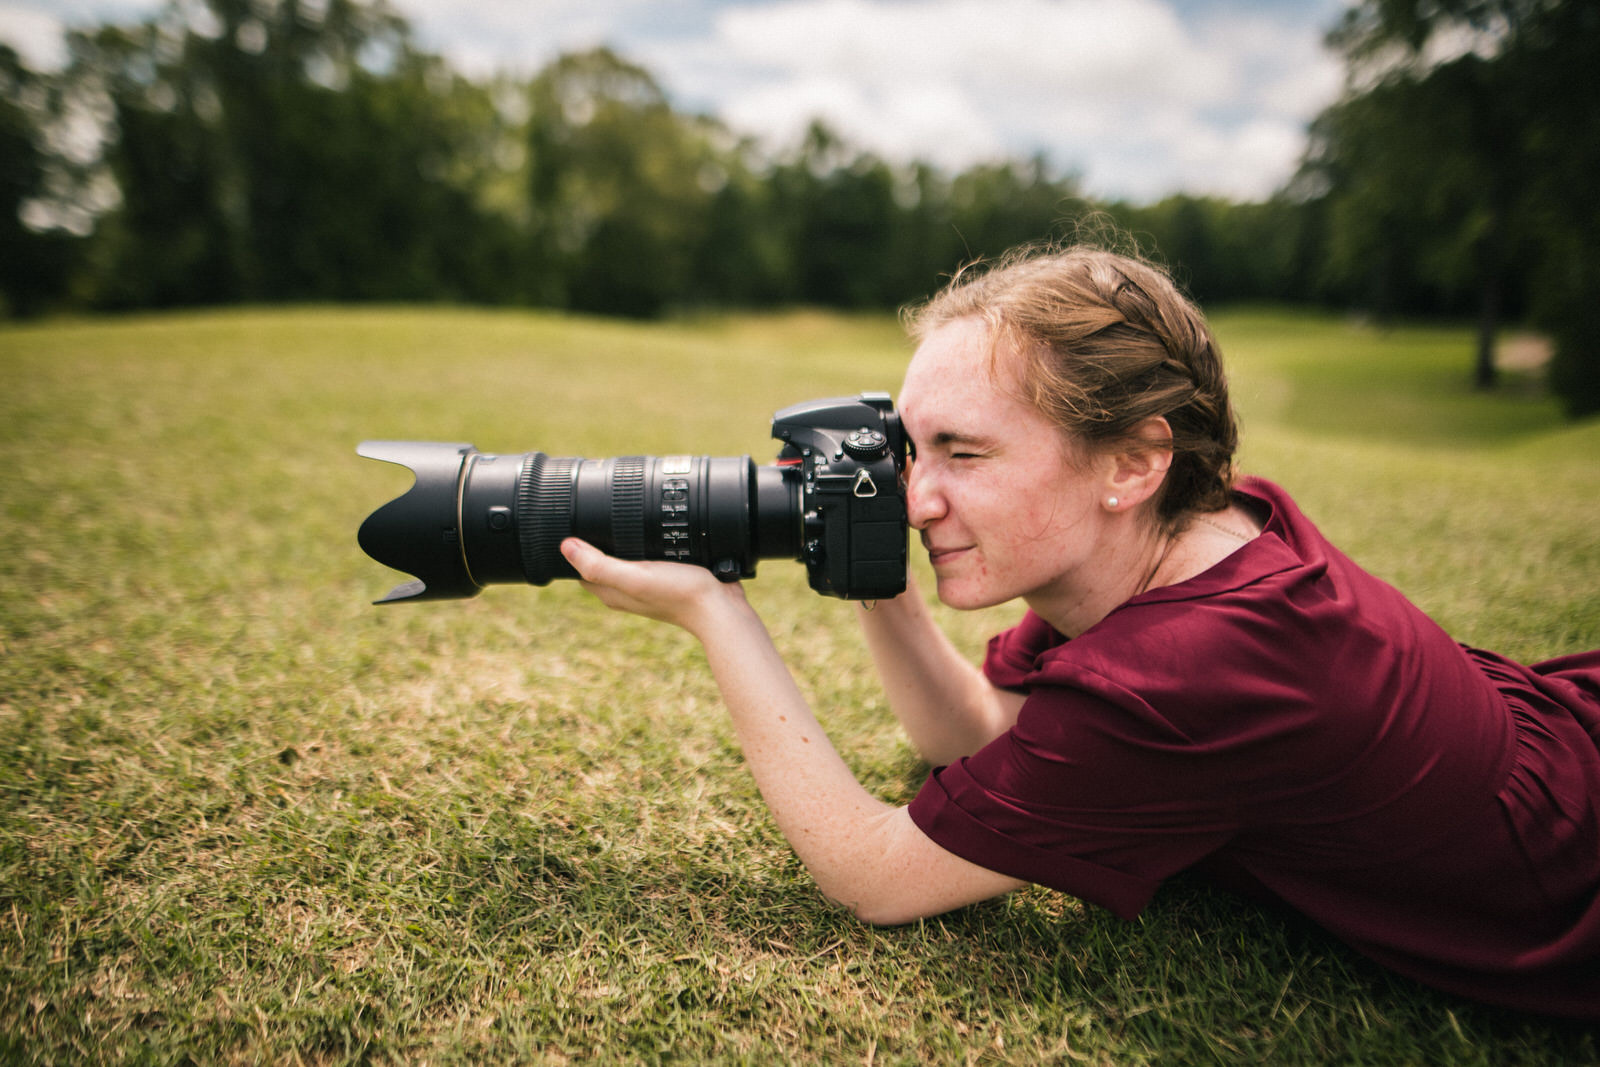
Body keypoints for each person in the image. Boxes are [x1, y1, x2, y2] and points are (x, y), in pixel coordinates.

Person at [558, 242, 1600, 1021]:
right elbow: (970, 731)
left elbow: (876, 873)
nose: (914, 497)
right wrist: (878, 578)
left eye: (963, 453)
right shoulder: (1184, 538)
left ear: (1132, 462)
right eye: (907, 450)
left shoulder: (1185, 669)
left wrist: (712, 608)